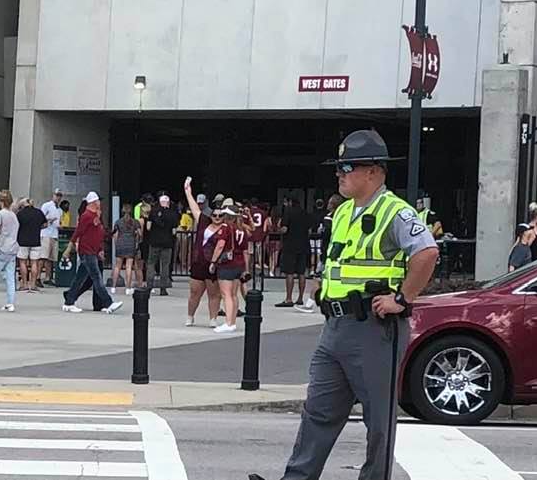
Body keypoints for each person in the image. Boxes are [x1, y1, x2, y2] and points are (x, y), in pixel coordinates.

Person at [250, 129, 439, 480]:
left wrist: (402, 298)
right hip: (336, 326)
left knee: (378, 419)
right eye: (338, 167)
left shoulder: (395, 212)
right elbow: (340, 261)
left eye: (347, 167)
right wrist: (325, 286)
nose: (339, 174)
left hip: (374, 327)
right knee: (318, 411)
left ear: (374, 171)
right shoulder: (342, 213)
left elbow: (427, 252)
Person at [61, 191, 122, 314]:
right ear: (94, 202)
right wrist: (69, 248)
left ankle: (69, 301)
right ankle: (108, 303)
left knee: (80, 278)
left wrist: (100, 247)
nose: (100, 203)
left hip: (92, 251)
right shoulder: (86, 216)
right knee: (96, 277)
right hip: (87, 251)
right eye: (98, 201)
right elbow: (78, 232)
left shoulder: (94, 216)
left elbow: (98, 233)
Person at [183, 177, 223, 327]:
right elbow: (194, 208)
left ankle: (213, 318)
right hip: (199, 262)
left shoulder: (225, 228)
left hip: (214, 264)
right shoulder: (203, 221)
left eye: (220, 216)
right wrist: (188, 191)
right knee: (195, 293)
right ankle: (190, 316)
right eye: (215, 215)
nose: (217, 218)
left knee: (214, 294)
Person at [296, 193, 342, 314]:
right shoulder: (343, 218)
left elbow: (325, 234)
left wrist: (318, 234)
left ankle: (310, 304)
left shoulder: (329, 219)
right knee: (330, 280)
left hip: (327, 254)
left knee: (318, 279)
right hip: (338, 253)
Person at [209, 201, 248, 333]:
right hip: (239, 263)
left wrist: (213, 262)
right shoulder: (242, 229)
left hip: (227, 264)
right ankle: (233, 321)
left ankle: (228, 323)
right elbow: (245, 250)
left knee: (226, 294)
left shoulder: (226, 228)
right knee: (234, 294)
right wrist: (246, 268)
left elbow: (220, 245)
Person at [275, 197, 310, 308]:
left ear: (290, 202)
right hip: (303, 245)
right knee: (301, 273)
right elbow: (309, 229)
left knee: (289, 272)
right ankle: (300, 298)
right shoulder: (305, 213)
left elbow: (284, 229)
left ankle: (289, 298)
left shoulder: (288, 212)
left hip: (290, 245)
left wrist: (278, 229)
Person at [145, 193, 179, 295]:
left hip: (154, 241)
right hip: (167, 242)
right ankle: (163, 288)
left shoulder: (153, 212)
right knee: (165, 265)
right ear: (168, 203)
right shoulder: (173, 214)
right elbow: (174, 231)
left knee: (151, 263)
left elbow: (148, 227)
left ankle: (149, 286)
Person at [16, 196, 47, 292]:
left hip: (22, 241)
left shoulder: (20, 214)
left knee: (22, 262)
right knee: (35, 263)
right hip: (35, 240)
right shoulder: (38, 212)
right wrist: (38, 228)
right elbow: (45, 224)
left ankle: (24, 284)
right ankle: (33, 284)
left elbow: (16, 225)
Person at [110, 203, 139, 295]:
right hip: (130, 244)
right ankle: (128, 288)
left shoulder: (118, 222)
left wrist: (116, 244)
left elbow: (114, 234)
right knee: (129, 267)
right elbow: (140, 233)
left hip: (120, 244)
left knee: (117, 266)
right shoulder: (135, 222)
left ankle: (113, 287)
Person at [40, 190, 63, 286]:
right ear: (53, 195)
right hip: (46, 234)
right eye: (56, 195)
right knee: (43, 256)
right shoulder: (46, 206)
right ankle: (37, 276)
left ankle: (48, 277)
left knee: (51, 258)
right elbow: (41, 218)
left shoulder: (59, 210)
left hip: (54, 234)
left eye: (59, 196)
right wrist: (49, 220)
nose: (58, 197)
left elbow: (59, 222)